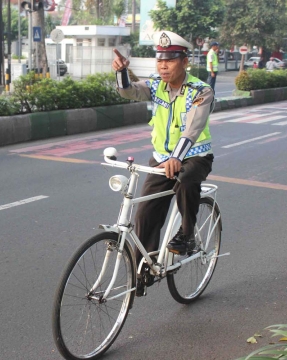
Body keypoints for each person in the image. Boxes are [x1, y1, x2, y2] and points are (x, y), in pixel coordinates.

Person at [112, 30, 214, 295]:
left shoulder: (201, 91)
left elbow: (193, 128)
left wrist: (177, 157)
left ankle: (187, 233)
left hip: (194, 156)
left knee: (187, 179)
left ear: (185, 61)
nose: (163, 65)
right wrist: (122, 72)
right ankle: (143, 268)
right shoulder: (157, 85)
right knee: (145, 214)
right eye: (160, 60)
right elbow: (129, 92)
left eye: (170, 59)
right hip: (160, 159)